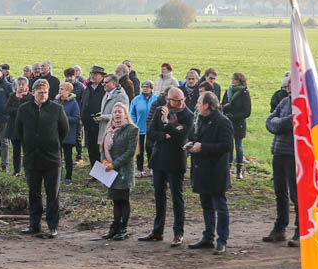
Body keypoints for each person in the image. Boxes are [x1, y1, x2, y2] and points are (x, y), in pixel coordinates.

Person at [12, 77, 69, 237]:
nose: (43, 95)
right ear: (33, 92)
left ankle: (52, 226)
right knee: (34, 193)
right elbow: (19, 130)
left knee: (53, 195)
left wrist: (52, 143)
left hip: (52, 159)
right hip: (32, 157)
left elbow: (64, 130)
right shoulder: (24, 109)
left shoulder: (57, 109)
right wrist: (29, 144)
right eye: (40, 93)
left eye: (45, 92)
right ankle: (34, 225)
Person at [142, 86, 193, 244]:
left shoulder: (188, 115)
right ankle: (157, 231)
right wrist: (166, 135)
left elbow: (181, 137)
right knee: (159, 196)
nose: (180, 103)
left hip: (176, 160)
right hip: (159, 159)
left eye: (182, 99)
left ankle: (178, 233)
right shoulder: (160, 110)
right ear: (168, 99)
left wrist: (166, 123)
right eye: (176, 100)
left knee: (177, 197)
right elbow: (150, 133)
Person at [186, 91, 234, 254]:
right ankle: (208, 237)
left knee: (220, 206)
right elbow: (196, 136)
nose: (197, 105)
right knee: (206, 205)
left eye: (199, 102)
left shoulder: (223, 121)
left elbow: (227, 146)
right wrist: (192, 144)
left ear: (206, 105)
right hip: (202, 169)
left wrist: (203, 147)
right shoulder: (200, 119)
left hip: (216, 171)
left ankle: (222, 240)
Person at [98, 102, 139, 239]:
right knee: (115, 200)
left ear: (125, 114)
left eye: (119, 112)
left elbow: (130, 152)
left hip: (124, 171)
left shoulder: (132, 129)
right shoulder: (109, 128)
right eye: (115, 112)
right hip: (110, 171)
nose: (117, 114)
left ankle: (123, 228)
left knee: (123, 200)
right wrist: (104, 161)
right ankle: (115, 227)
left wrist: (114, 164)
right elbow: (103, 148)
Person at [261, 82, 295, 244]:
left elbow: (293, 121)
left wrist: (279, 122)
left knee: (296, 195)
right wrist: (280, 123)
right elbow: (270, 121)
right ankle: (280, 228)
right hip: (279, 152)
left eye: (290, 82)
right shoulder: (285, 101)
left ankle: (301, 230)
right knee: (280, 193)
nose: (286, 85)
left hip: (294, 155)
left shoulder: (304, 104)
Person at [221, 72, 253, 178]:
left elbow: (247, 111)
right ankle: (228, 168)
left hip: (239, 124)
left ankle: (239, 169)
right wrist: (225, 109)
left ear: (240, 81)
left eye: (235, 79)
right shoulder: (228, 91)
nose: (233, 81)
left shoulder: (244, 93)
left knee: (239, 147)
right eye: (233, 79)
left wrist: (234, 116)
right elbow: (222, 104)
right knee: (229, 146)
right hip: (228, 122)